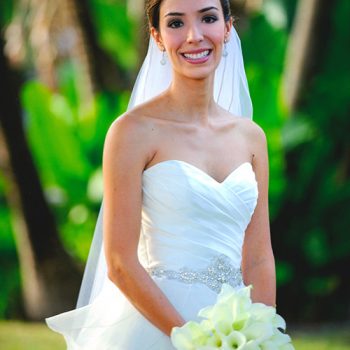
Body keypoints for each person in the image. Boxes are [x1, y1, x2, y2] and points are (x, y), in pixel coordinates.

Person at [46, 0, 276, 348]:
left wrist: (261, 334)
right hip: (155, 326)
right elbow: (120, 262)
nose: (194, 36)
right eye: (175, 23)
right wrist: (192, 339)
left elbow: (258, 256)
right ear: (157, 36)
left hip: (236, 330)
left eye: (208, 18)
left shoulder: (251, 138)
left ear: (227, 28)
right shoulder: (131, 133)